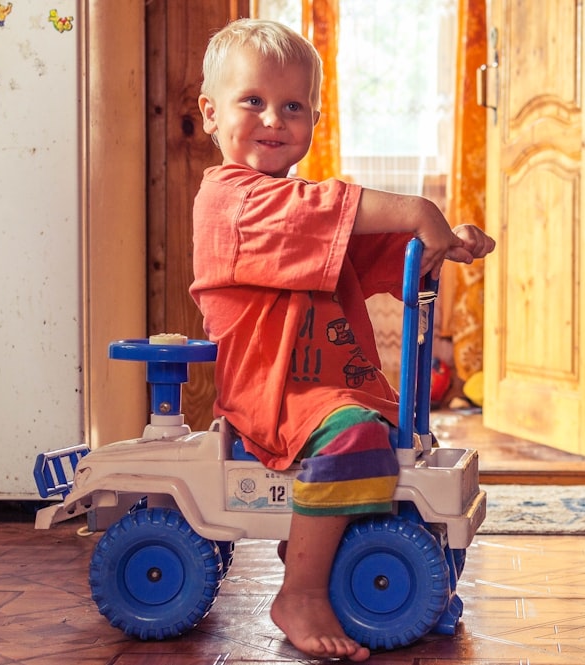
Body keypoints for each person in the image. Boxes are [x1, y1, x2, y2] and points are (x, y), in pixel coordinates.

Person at [190, 18, 495, 662]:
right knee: (356, 434)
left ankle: (331, 547)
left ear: (313, 120)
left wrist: (441, 242)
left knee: (389, 437)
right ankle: (299, 590)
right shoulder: (233, 204)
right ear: (210, 113)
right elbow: (323, 211)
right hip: (273, 395)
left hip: (326, 386)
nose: (273, 119)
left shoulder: (295, 205)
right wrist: (416, 208)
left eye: (293, 106)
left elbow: (375, 249)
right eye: (253, 101)